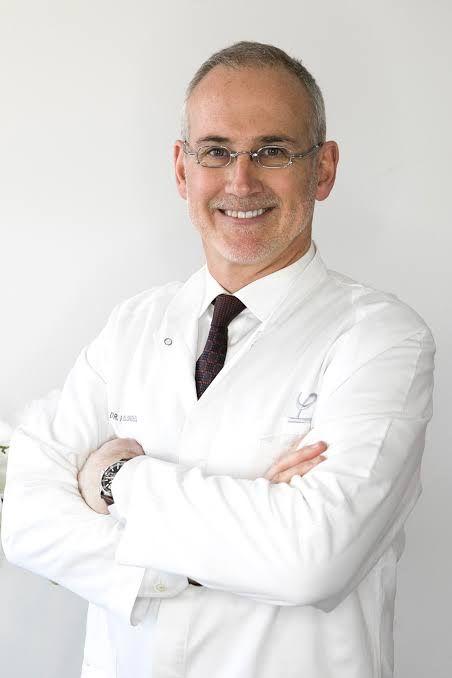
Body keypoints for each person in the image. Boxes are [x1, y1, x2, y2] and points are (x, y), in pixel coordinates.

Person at [1, 41, 435, 678]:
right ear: (183, 170)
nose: (241, 181)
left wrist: (113, 481)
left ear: (323, 169)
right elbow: (27, 520)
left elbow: (312, 558)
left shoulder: (380, 339)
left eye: (273, 151)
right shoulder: (131, 327)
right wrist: (211, 558)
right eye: (216, 151)